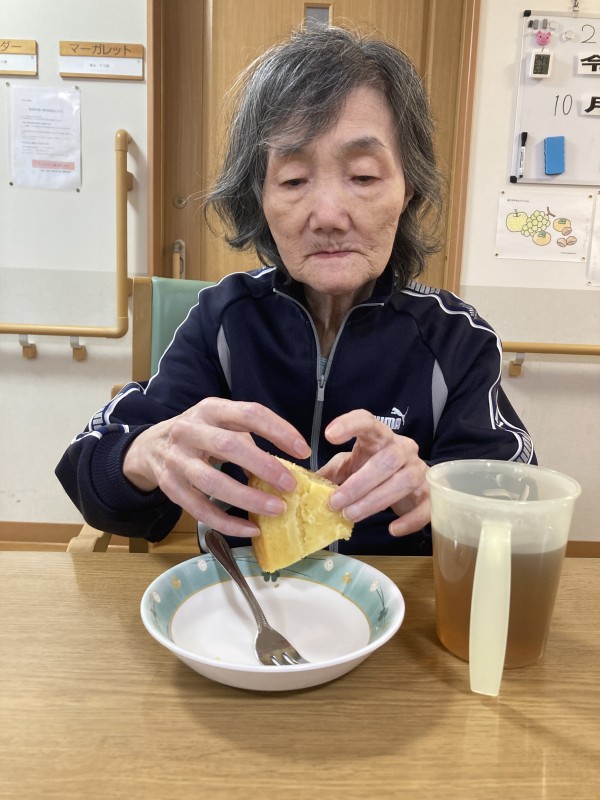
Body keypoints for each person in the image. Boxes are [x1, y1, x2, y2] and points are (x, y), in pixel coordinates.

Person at [56, 24, 535, 556]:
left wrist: (439, 494)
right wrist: (149, 454)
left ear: (408, 190)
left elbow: (518, 514)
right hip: (243, 596)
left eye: (363, 176)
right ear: (259, 199)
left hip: (401, 604)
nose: (328, 216)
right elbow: (91, 480)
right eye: (292, 180)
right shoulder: (223, 321)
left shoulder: (456, 339)